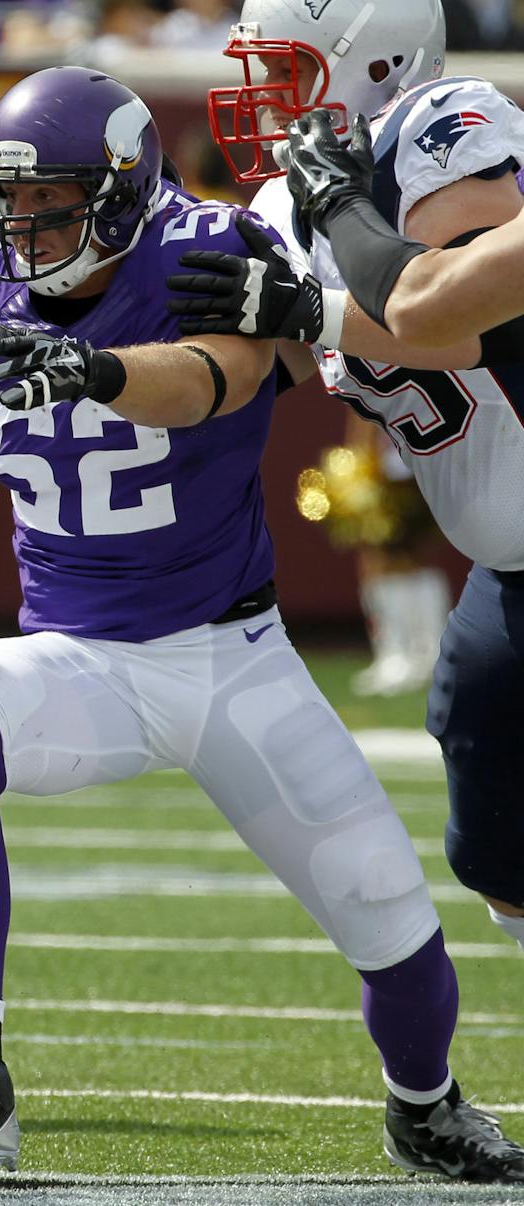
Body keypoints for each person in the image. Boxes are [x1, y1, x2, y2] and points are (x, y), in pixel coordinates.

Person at [0, 65, 524, 1183]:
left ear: (115, 192)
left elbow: (214, 376)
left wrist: (93, 369)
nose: (20, 224)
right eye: (5, 198)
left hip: (228, 653)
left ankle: (424, 1104)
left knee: (389, 917)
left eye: (49, 200)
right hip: (76, 654)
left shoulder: (201, 249)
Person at [172, 0, 524, 1010]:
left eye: (284, 68)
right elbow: (252, 361)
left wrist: (320, 262)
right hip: (502, 576)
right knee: (494, 851)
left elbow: (455, 318)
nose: (265, 96)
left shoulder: (447, 129)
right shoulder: (295, 206)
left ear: (368, 61)